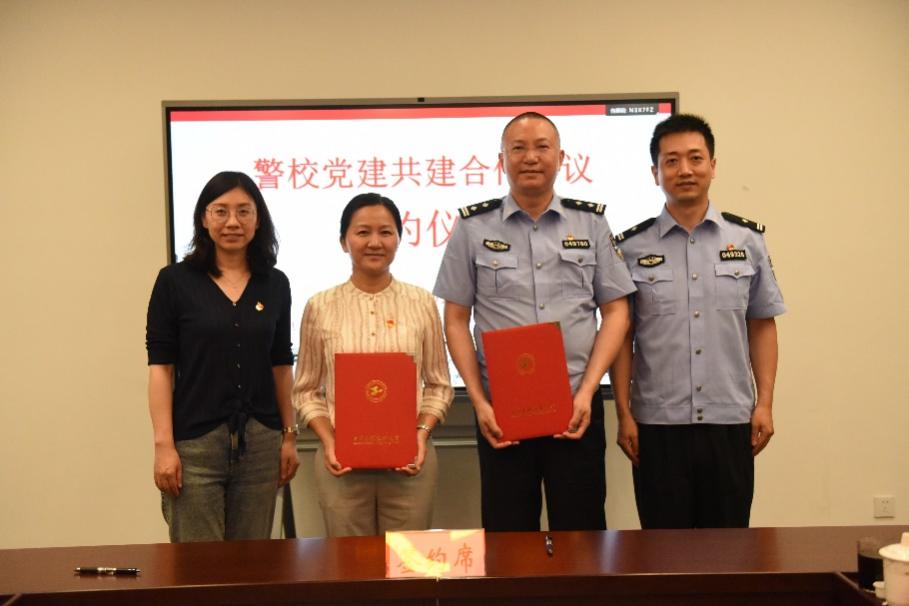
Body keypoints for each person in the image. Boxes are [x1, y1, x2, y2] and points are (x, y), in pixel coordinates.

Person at [433, 112, 635, 532]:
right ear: (501, 160)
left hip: (576, 408)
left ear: (560, 157)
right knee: (508, 538)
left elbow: (616, 312)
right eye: (518, 148)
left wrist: (589, 390)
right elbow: (455, 319)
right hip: (501, 414)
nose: (530, 157)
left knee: (581, 538)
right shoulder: (472, 227)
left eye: (542, 147)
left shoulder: (591, 223)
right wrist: (479, 401)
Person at [610, 114, 786, 529]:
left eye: (695, 158)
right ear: (655, 173)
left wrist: (764, 403)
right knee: (663, 551)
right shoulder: (630, 247)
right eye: (671, 161)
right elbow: (621, 337)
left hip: (730, 421)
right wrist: (623, 412)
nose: (684, 170)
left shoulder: (747, 241)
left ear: (713, 165)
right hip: (657, 426)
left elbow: (762, 324)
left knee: (728, 549)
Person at [146, 171, 300, 542]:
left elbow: (281, 365)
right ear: (204, 218)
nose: (233, 222)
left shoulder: (275, 283)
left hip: (261, 442)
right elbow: (161, 369)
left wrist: (289, 437)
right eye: (221, 211)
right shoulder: (174, 281)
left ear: (258, 220)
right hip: (195, 444)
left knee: (252, 561)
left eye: (244, 211)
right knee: (198, 564)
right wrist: (164, 446)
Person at [292, 192, 453, 537]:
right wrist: (330, 441)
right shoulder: (320, 306)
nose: (375, 242)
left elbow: (439, 384)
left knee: (408, 562)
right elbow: (305, 389)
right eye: (363, 232)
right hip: (341, 466)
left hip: (411, 461)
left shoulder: (422, 302)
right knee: (350, 565)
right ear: (344, 241)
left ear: (399, 239)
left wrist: (421, 434)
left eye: (386, 232)